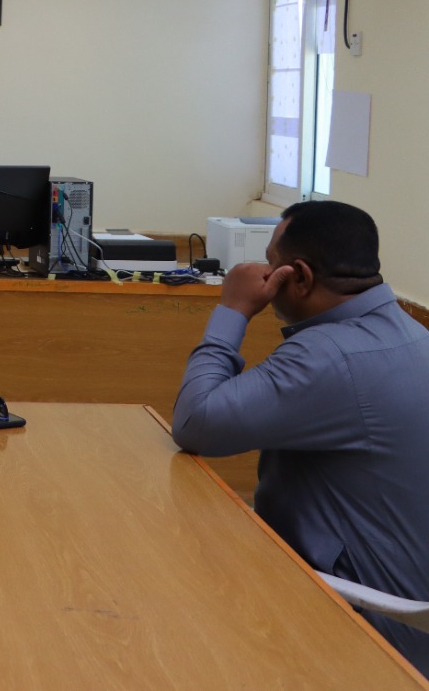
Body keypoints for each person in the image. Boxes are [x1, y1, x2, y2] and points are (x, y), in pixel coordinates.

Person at [172, 201, 429, 672]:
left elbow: (195, 423)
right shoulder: (414, 334)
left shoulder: (328, 357)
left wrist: (233, 308)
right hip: (411, 612)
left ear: (302, 277)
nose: (263, 274)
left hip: (365, 631)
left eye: (271, 264)